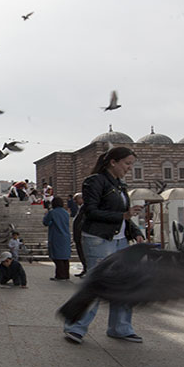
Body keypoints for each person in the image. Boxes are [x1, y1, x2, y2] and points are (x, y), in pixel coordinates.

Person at [63, 146, 145, 344]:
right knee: (97, 283)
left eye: (132, 164)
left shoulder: (120, 185)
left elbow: (124, 217)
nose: (129, 168)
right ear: (113, 162)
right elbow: (91, 211)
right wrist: (123, 215)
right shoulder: (95, 181)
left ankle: (121, 327)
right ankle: (76, 326)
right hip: (99, 239)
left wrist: (135, 232)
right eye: (127, 163)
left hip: (120, 240)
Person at [43, 196, 72, 280]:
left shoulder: (52, 212)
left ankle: (60, 275)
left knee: (57, 257)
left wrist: (47, 215)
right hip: (66, 236)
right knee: (65, 257)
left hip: (56, 236)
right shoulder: (65, 212)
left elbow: (45, 222)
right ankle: (66, 275)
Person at [72, 192, 87, 277]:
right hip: (78, 236)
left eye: (76, 199)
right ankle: (85, 269)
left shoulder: (85, 207)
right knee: (81, 253)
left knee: (84, 253)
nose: (75, 201)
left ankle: (86, 269)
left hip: (81, 235)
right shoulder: (81, 208)